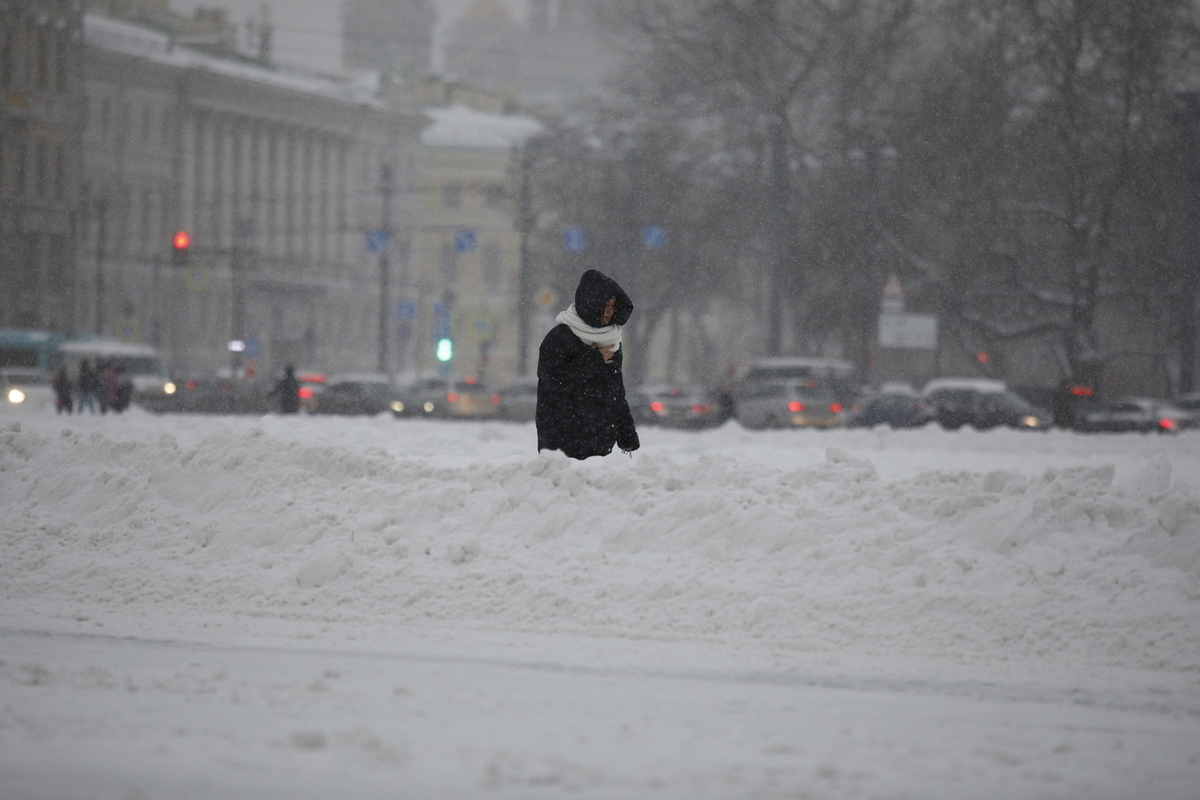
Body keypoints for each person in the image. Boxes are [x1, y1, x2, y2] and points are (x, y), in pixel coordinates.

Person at [536, 269, 640, 460]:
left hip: (600, 444)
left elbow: (615, 392)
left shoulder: (611, 340)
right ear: (591, 304)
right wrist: (593, 360)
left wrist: (626, 434)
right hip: (561, 443)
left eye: (613, 306)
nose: (610, 311)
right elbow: (552, 383)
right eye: (605, 305)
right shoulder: (559, 338)